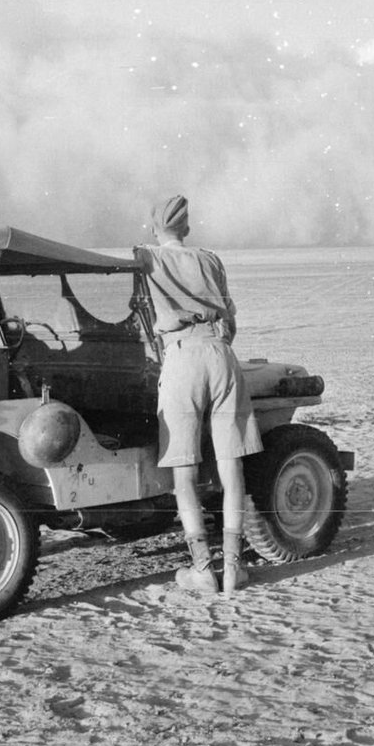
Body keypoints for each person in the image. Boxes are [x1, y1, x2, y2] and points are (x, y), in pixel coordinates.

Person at [134, 194, 262, 596]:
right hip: (221, 355)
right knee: (231, 466)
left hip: (181, 358)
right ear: (187, 227)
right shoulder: (210, 259)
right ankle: (233, 569)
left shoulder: (145, 257)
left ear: (153, 228)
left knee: (184, 471)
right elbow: (230, 321)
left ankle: (203, 568)